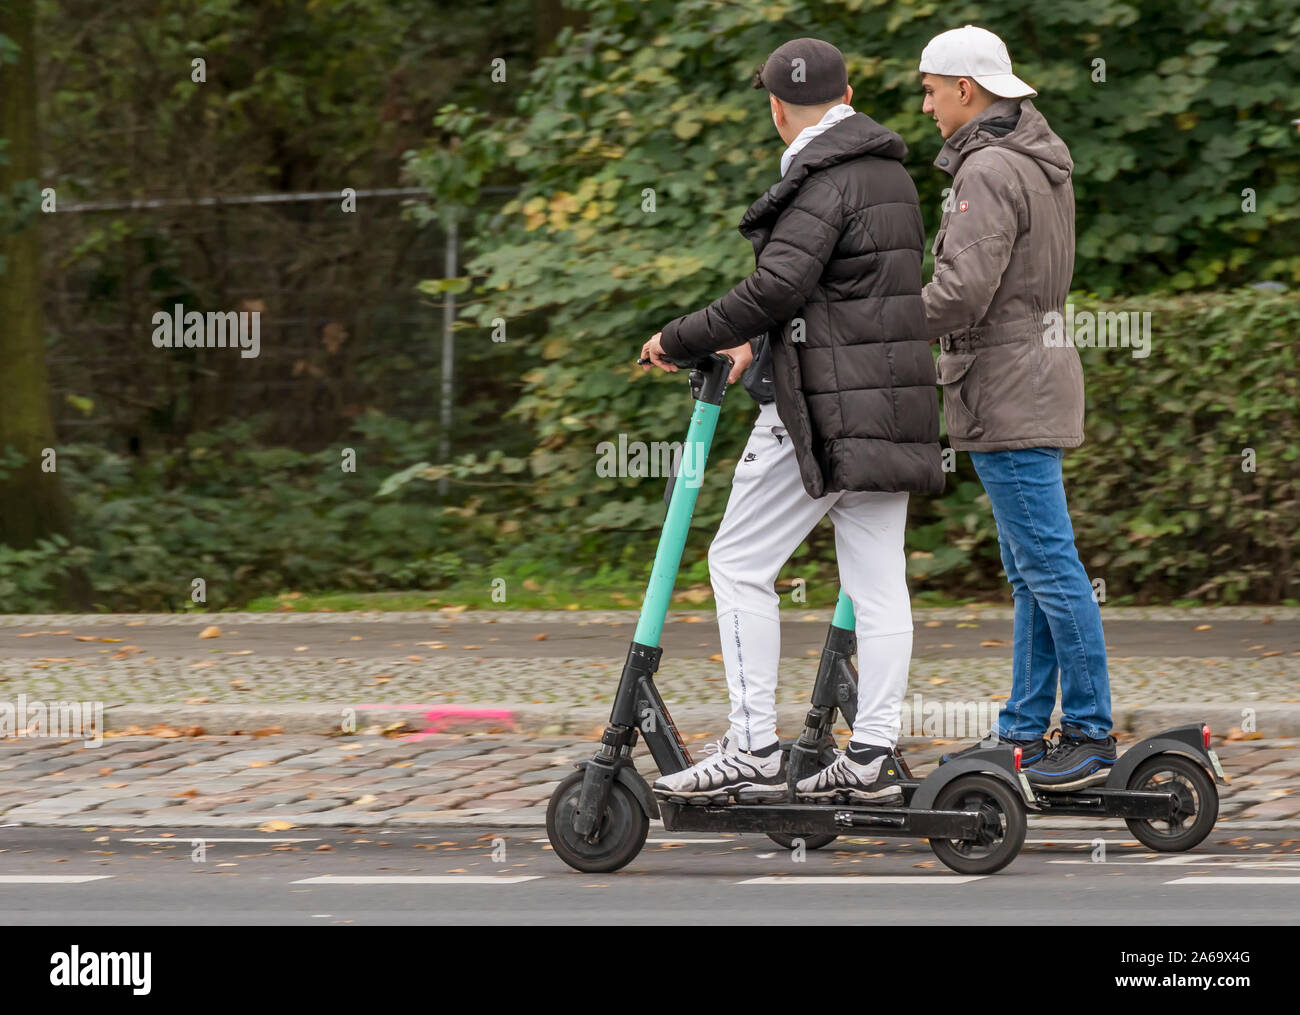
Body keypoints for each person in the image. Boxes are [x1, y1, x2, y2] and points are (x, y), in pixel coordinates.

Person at [640, 37, 943, 804]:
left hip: (816, 410)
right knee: (878, 583)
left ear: (776, 108)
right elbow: (841, 294)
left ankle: (751, 745)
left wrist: (681, 337)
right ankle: (871, 753)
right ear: (847, 94)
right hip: (893, 404)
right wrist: (754, 340)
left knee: (738, 564)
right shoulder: (889, 175)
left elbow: (778, 287)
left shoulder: (819, 180)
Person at [917, 25, 1116, 788]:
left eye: (932, 89)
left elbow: (962, 291)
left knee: (1050, 566)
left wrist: (877, 325)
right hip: (1028, 376)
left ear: (968, 90)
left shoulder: (990, 167)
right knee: (1033, 566)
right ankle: (1025, 730)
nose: (928, 105)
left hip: (1006, 385)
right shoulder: (1035, 158)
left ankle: (1091, 731)